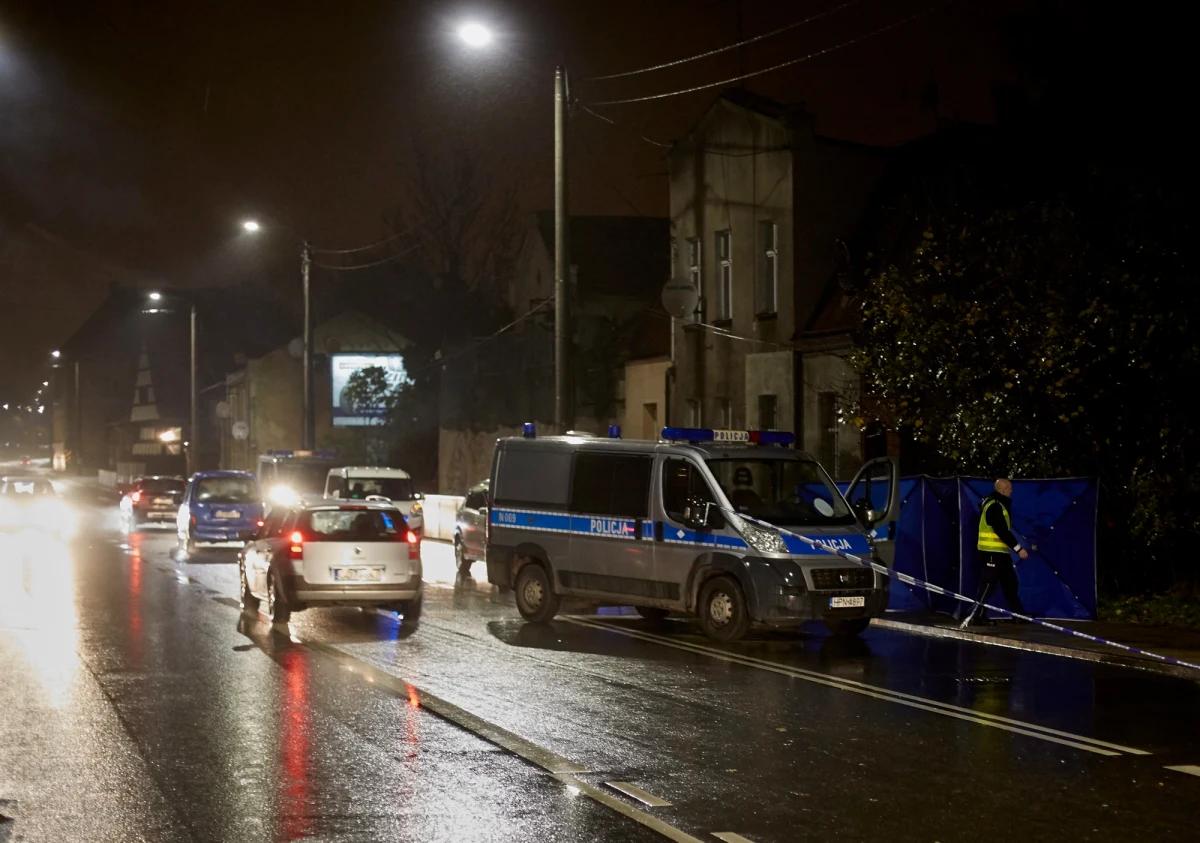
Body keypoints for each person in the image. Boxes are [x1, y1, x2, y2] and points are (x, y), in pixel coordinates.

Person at [960, 478, 1029, 629]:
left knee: (1010, 583)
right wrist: (1018, 548)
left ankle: (1018, 615)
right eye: (1009, 488)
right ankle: (977, 616)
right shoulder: (994, 505)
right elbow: (1001, 530)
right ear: (1002, 490)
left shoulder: (999, 504)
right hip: (991, 551)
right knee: (988, 584)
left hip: (1000, 551)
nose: (1011, 491)